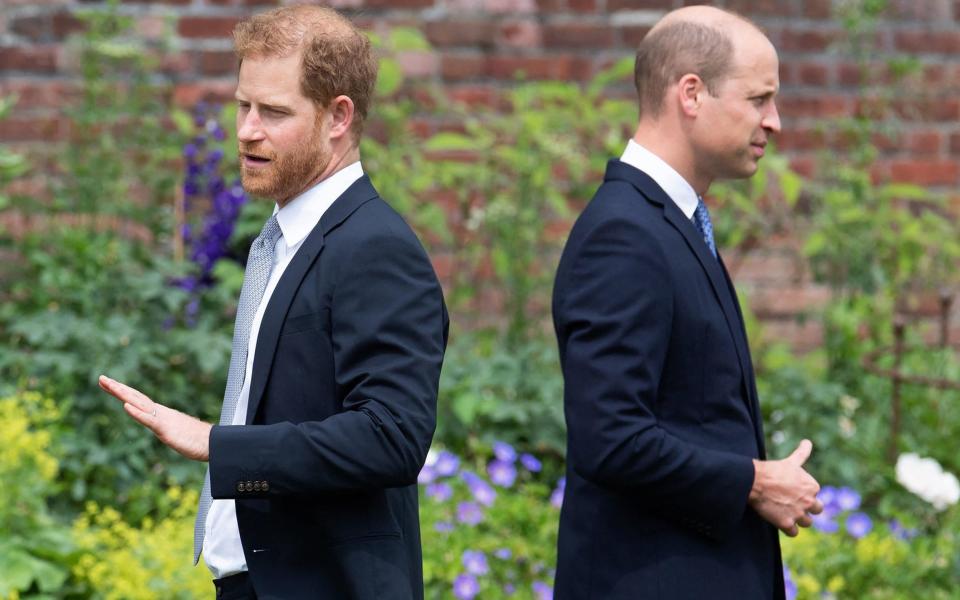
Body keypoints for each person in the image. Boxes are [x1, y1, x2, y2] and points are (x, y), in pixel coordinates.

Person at [99, 6, 448, 599]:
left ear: (339, 116)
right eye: (243, 105)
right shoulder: (286, 238)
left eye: (275, 112)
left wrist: (217, 444)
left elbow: (392, 437)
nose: (246, 130)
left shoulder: (375, 246)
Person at [551, 6, 822, 599]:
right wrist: (752, 482)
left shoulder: (670, 222)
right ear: (691, 94)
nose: (774, 122)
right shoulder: (623, 235)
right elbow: (612, 438)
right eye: (759, 99)